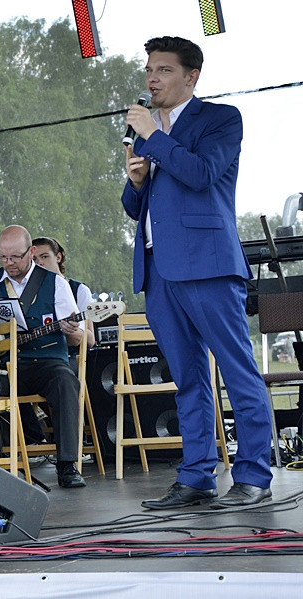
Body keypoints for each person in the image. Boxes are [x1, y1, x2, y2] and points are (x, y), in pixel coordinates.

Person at [123, 36, 272, 509]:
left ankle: (253, 474)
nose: (152, 78)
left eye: (164, 70)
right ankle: (196, 476)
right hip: (159, 269)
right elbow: (136, 207)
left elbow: (203, 174)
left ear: (192, 77)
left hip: (207, 263)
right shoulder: (151, 133)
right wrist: (135, 182)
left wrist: (155, 136)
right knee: (187, 378)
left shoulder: (220, 120)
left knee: (236, 369)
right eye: (149, 69)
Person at [0, 225, 86, 489]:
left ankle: (68, 464)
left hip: (48, 363)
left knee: (66, 382)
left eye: (15, 257)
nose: (9, 263)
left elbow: (78, 338)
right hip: (9, 366)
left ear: (31, 252)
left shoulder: (55, 283)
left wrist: (72, 331)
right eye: (3, 257)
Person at [31, 237, 96, 370]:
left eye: (45, 257)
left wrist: (73, 330)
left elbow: (90, 340)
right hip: (34, 355)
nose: (40, 263)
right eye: (34, 259)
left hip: (68, 357)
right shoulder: (28, 292)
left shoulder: (79, 290)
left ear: (58, 257)